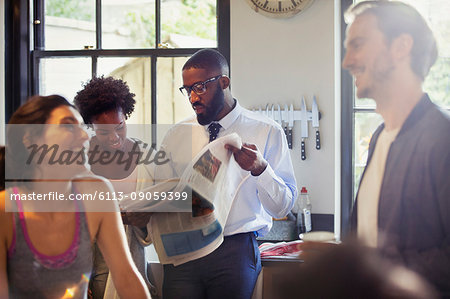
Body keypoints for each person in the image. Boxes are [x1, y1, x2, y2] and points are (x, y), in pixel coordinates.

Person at [149, 49, 298, 299]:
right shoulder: (176, 135)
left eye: (199, 87)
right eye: (187, 90)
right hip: (183, 248)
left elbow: (282, 207)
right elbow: (162, 193)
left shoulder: (266, 131)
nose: (193, 97)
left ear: (224, 82)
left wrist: (260, 169)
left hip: (234, 251)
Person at [341, 1, 450, 297]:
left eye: (358, 45)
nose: (346, 61)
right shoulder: (379, 138)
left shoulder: (443, 137)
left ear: (401, 46)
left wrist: (375, 274)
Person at [0, 95, 150, 299]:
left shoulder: (98, 194)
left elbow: (126, 278)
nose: (85, 136)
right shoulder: (5, 210)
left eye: (81, 127)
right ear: (30, 140)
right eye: (68, 126)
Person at [74, 76, 155, 299]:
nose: (114, 138)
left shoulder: (146, 158)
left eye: (120, 127)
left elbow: (157, 220)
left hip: (135, 261)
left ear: (126, 117)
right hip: (95, 268)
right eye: (104, 132)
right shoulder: (79, 163)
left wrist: (143, 220)